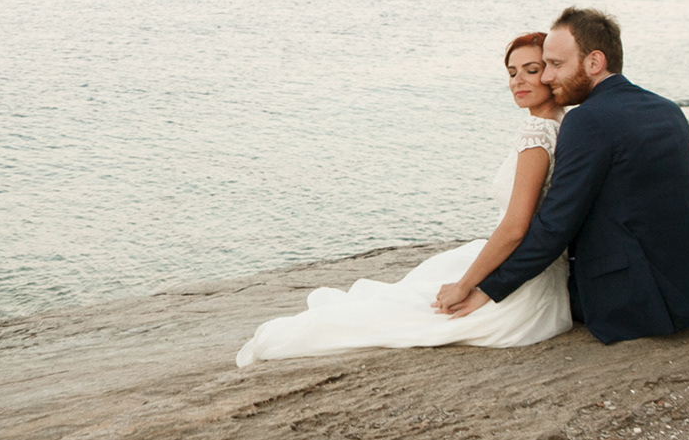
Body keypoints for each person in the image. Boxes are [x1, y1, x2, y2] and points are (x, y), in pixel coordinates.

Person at [235, 31, 573, 365]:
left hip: (522, 289)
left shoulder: (537, 134)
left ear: (552, 71)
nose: (518, 81)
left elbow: (516, 227)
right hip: (542, 277)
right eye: (512, 73)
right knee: (412, 288)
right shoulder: (563, 123)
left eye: (531, 70)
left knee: (402, 313)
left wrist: (466, 286)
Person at [434, 7, 689, 343]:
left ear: (594, 62)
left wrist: (486, 290)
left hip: (643, 301)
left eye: (556, 65)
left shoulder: (587, 121)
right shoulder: (667, 109)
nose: (547, 77)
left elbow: (554, 227)